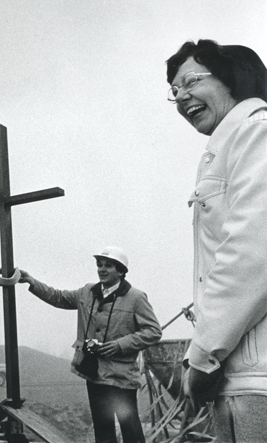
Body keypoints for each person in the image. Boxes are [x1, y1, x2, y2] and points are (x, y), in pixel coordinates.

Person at [166, 39, 267, 441]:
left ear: (231, 79)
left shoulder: (255, 133)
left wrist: (203, 358)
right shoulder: (231, 143)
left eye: (190, 80)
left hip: (257, 380)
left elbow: (250, 254)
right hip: (243, 373)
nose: (181, 96)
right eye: (174, 90)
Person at [19, 246, 162, 443]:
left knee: (131, 430)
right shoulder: (87, 292)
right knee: (103, 431)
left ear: (121, 271)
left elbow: (154, 331)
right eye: (99, 265)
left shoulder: (136, 298)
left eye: (108, 266)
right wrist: (32, 282)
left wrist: (120, 345)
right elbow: (58, 297)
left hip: (122, 377)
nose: (102, 269)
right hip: (94, 373)